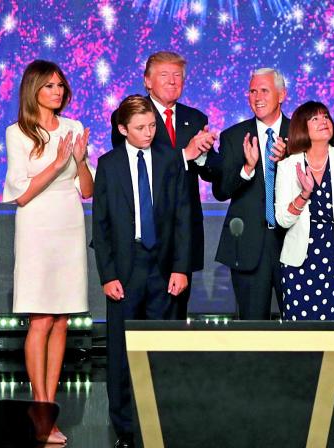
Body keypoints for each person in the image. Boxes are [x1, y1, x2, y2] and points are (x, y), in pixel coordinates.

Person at [2, 60, 93, 444]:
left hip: (69, 222)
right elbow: (21, 193)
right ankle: (39, 411)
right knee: (41, 319)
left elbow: (87, 189)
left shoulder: (73, 128)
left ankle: (49, 405)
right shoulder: (18, 132)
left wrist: (81, 160)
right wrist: (57, 164)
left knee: (62, 321)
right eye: (50, 85)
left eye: (61, 86)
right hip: (37, 223)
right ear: (34, 89)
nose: (58, 91)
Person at [93, 95, 191, 448]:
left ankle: (160, 422)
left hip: (162, 267)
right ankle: (125, 429)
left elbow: (183, 218)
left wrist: (180, 268)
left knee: (160, 347)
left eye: (152, 126)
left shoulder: (169, 161)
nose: (149, 132)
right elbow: (100, 226)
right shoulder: (108, 164)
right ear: (122, 129)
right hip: (124, 267)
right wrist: (107, 274)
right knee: (120, 351)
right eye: (140, 128)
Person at [110, 51, 219, 320]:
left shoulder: (194, 118)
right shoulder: (129, 116)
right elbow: (130, 165)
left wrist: (203, 154)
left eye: (178, 76)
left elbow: (211, 171)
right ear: (147, 81)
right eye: (164, 75)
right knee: (135, 321)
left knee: (175, 319)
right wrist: (185, 154)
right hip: (140, 234)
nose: (172, 81)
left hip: (182, 232)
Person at [275, 100, 334, 378]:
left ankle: (333, 406)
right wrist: (304, 194)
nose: (323, 121)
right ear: (302, 127)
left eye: (326, 116)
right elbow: (283, 219)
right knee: (305, 336)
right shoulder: (289, 165)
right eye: (315, 118)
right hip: (301, 260)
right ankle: (307, 405)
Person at [213, 68, 288, 319]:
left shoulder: (301, 133)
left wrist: (288, 160)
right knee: (252, 327)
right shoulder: (234, 136)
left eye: (264, 90)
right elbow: (221, 190)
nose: (257, 97)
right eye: (252, 91)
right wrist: (247, 169)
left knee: (301, 325)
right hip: (248, 245)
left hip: (294, 242)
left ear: (281, 95)